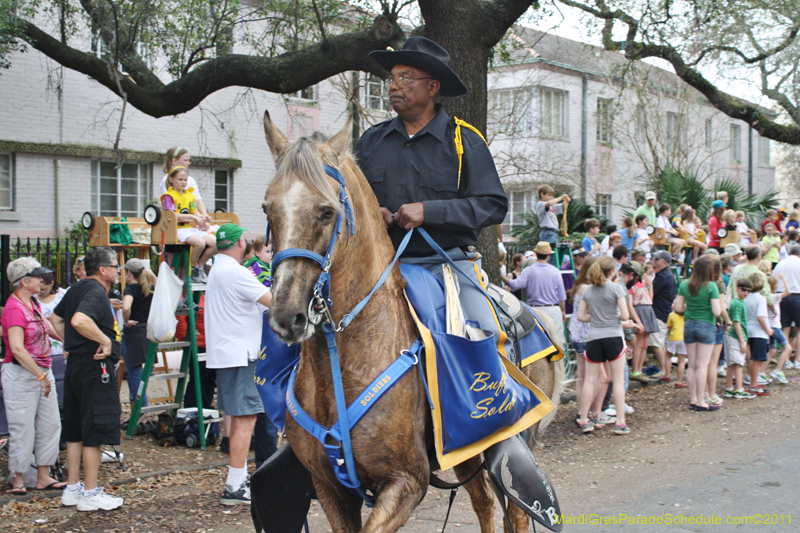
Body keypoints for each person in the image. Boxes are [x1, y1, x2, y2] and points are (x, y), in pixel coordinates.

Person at [356, 36, 510, 357]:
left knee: (485, 339)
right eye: (392, 78)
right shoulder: (371, 140)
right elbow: (349, 200)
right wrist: (372, 212)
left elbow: (493, 206)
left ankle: (492, 403)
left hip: (448, 265)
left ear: (432, 87)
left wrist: (429, 211)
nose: (393, 86)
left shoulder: (465, 140)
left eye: (405, 78)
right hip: (380, 266)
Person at [48, 247, 124, 511]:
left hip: (76, 366)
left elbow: (54, 320)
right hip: (95, 367)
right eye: (115, 266)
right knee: (94, 427)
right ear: (103, 269)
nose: (118, 271)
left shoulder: (76, 289)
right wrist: (103, 339)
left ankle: (72, 488)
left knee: (75, 428)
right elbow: (79, 320)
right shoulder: (95, 291)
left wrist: (70, 344)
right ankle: (90, 492)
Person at [205, 223, 272, 505]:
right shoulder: (235, 272)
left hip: (227, 351)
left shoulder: (217, 269)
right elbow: (274, 301)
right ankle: (234, 486)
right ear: (240, 244)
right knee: (246, 418)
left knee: (239, 416)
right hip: (241, 353)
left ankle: (238, 479)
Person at [1, 258, 65, 495]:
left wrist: (63, 340)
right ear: (24, 281)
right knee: (22, 426)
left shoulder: (32, 303)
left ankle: (43, 476)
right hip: (22, 374)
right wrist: (41, 376)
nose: (43, 280)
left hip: (41, 370)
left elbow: (44, 325)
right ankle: (18, 478)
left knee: (50, 424)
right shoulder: (14, 309)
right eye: (38, 276)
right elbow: (17, 349)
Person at [576, 257, 638, 435]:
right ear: (612, 271)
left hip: (594, 337)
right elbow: (625, 315)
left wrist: (596, 317)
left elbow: (581, 317)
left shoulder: (588, 290)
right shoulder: (616, 288)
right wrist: (614, 316)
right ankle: (620, 422)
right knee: (618, 380)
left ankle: (584, 419)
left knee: (589, 380)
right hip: (613, 337)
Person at [568, 257, 614, 428]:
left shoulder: (580, 287)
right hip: (588, 335)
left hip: (577, 333)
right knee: (602, 377)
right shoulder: (589, 289)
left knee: (582, 377)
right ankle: (587, 414)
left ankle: (586, 412)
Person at [672, 255, 722, 411]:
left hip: (689, 325)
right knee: (702, 366)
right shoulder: (711, 286)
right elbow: (717, 311)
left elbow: (678, 308)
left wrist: (691, 309)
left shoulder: (685, 284)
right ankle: (701, 401)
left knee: (692, 365)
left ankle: (693, 399)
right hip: (706, 325)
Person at [502, 242, 567, 350]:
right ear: (548, 255)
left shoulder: (528, 270)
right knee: (557, 342)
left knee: (538, 342)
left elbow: (515, 284)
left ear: (536, 254)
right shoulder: (555, 271)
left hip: (536, 310)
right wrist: (563, 310)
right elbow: (562, 295)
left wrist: (502, 276)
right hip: (553, 309)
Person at [161, 166, 217, 283]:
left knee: (215, 242)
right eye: (180, 179)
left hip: (188, 228)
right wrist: (192, 217)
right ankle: (193, 267)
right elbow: (171, 215)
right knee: (200, 243)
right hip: (176, 229)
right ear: (171, 180)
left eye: (185, 180)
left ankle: (200, 266)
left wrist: (204, 217)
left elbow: (194, 212)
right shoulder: (168, 196)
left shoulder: (190, 196)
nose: (183, 182)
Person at [120, 258, 156, 405]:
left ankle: (141, 410)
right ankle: (140, 406)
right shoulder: (149, 288)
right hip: (147, 332)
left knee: (134, 373)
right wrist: (151, 274)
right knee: (143, 372)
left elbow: (126, 307)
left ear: (128, 273)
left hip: (133, 334)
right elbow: (161, 286)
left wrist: (126, 320)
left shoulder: (130, 289)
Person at [624, 262, 657, 382]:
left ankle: (640, 369)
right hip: (640, 313)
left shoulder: (642, 285)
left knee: (644, 344)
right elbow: (630, 305)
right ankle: (635, 370)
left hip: (648, 311)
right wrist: (638, 321)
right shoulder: (631, 287)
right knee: (638, 343)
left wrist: (650, 285)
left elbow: (650, 300)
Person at [722, 279, 756, 399]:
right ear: (738, 288)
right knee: (738, 363)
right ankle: (739, 389)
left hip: (733, 335)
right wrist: (742, 341)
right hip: (735, 336)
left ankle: (729, 387)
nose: (746, 293)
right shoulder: (737, 303)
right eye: (744, 289)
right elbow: (736, 323)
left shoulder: (739, 302)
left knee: (732, 363)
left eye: (749, 291)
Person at [159, 146, 211, 224]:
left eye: (188, 160)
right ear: (174, 161)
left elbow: (198, 201)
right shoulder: (165, 181)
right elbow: (170, 210)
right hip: (177, 223)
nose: (188, 163)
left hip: (192, 221)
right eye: (185, 160)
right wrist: (192, 217)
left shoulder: (190, 180)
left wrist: (205, 217)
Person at [648, 250, 676, 382]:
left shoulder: (663, 277)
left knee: (656, 343)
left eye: (657, 259)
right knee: (660, 342)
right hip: (663, 312)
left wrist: (648, 283)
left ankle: (664, 370)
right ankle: (666, 370)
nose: (654, 261)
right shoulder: (666, 275)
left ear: (664, 262)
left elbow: (651, 294)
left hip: (659, 313)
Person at [743, 273, 773, 396]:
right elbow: (760, 317)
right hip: (758, 331)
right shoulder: (761, 299)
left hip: (748, 329)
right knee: (756, 359)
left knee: (750, 358)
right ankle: (753, 384)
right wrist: (768, 330)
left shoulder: (745, 298)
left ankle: (750, 380)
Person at [774, 244, 800, 371]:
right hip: (797, 295)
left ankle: (785, 359)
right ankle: (798, 360)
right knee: (799, 329)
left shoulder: (781, 263)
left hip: (781, 296)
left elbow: (774, 278)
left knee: (785, 327)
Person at [766, 275, 792, 384]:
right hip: (774, 327)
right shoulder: (773, 296)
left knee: (772, 351)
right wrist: (784, 279)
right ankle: (778, 370)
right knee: (788, 348)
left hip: (770, 326)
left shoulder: (766, 296)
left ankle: (761, 372)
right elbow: (788, 292)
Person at [535, 184, 571, 252]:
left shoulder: (551, 207)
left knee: (554, 254)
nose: (551, 197)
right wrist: (560, 198)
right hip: (547, 232)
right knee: (550, 254)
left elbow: (561, 206)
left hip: (553, 232)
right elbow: (549, 203)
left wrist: (566, 201)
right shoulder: (540, 204)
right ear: (542, 194)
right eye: (549, 195)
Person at [665, 310, 687, 387]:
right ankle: (679, 381)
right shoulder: (687, 315)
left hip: (673, 338)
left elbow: (669, 326)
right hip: (684, 339)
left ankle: (667, 375)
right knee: (681, 361)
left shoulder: (671, 315)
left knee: (668, 356)